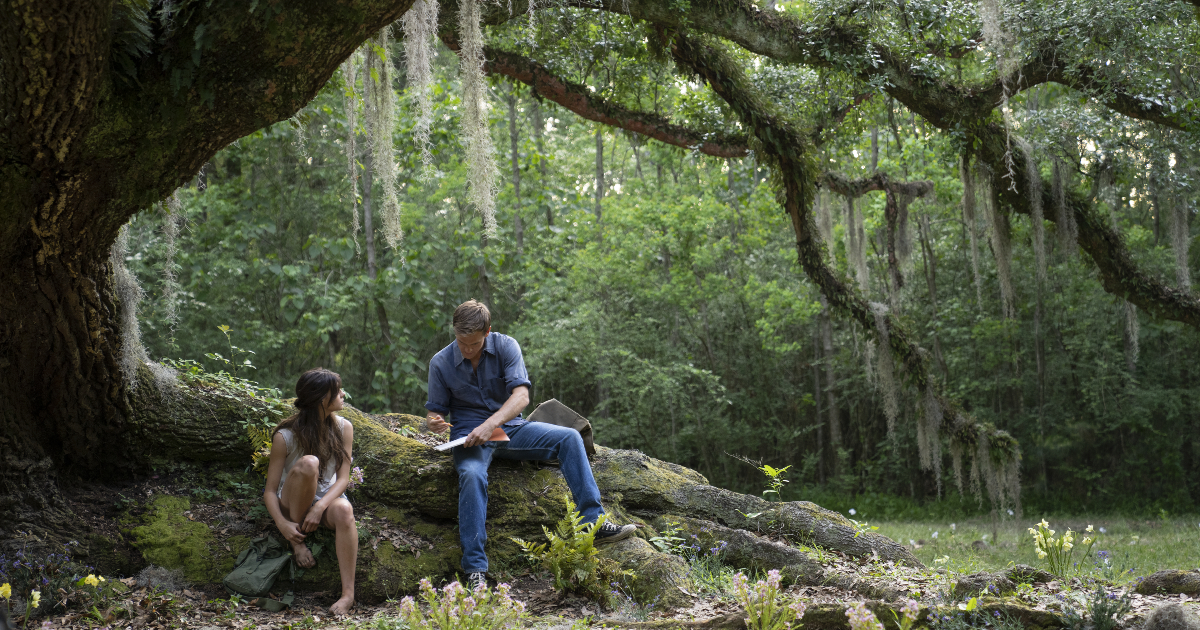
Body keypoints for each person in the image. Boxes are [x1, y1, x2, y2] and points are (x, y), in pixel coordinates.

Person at [426, 300, 636, 590]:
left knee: (570, 437)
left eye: (473, 344)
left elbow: (521, 397)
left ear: (488, 332)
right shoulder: (440, 362)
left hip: (511, 429)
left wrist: (492, 423)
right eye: (461, 343)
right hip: (470, 437)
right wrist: (434, 421)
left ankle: (594, 523)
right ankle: (475, 570)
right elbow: (434, 412)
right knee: (472, 475)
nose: (467, 349)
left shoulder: (506, 346)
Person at [263, 368, 357, 615]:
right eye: (338, 391)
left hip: (326, 497)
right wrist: (282, 524)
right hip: (291, 500)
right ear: (322, 399)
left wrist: (320, 506)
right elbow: (270, 491)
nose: (343, 394)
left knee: (346, 511)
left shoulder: (344, 428)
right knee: (309, 463)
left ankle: (348, 595)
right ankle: (296, 543)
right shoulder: (285, 436)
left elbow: (343, 478)